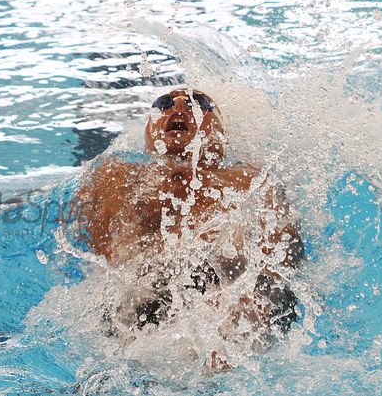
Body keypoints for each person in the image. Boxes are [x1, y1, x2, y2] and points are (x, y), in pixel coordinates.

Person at [67, 88, 303, 363]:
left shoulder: (250, 181)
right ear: (148, 129)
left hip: (225, 293)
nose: (178, 107)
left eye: (198, 103)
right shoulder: (112, 178)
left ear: (220, 134)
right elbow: (97, 256)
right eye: (164, 103)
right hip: (143, 292)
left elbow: (283, 259)